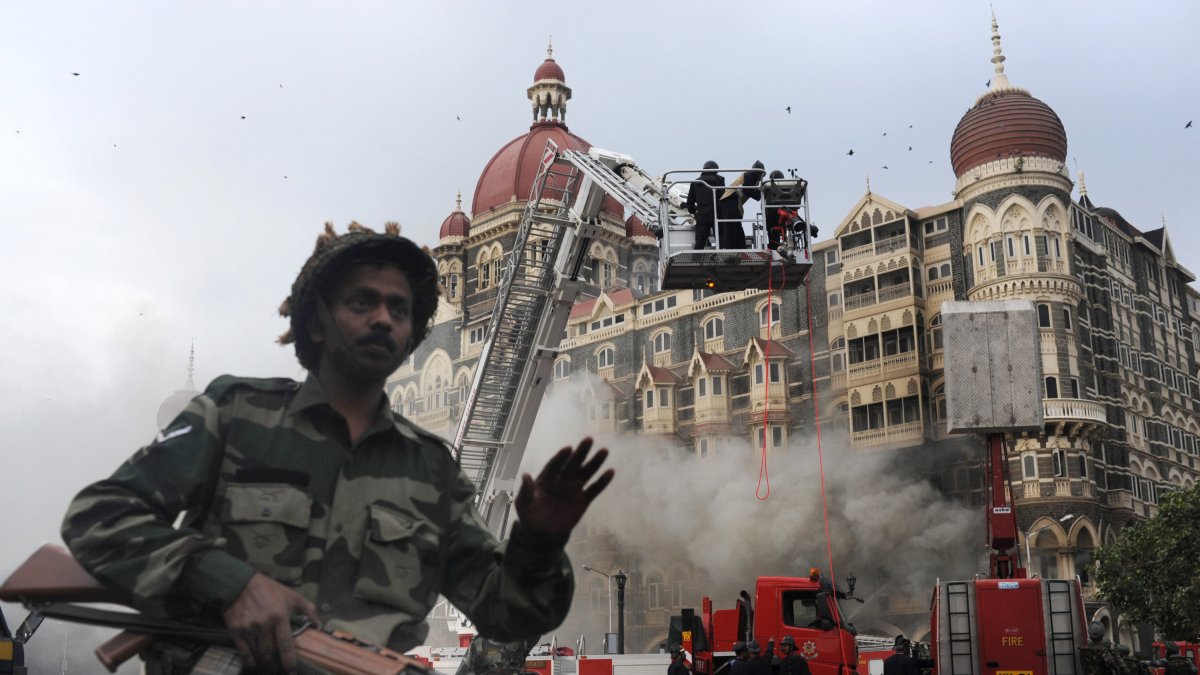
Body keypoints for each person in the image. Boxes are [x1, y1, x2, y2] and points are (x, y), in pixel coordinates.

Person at [61, 223, 615, 674]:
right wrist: (233, 584)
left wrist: (540, 541)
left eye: (400, 310)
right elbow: (99, 517)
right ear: (317, 321)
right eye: (362, 302)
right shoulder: (236, 415)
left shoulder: (429, 470)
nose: (383, 318)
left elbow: (507, 614)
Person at [715, 161, 765, 249]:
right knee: (731, 226)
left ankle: (741, 248)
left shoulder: (751, 177)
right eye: (761, 174)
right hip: (730, 200)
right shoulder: (751, 175)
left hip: (731, 202)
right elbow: (747, 189)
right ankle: (728, 249)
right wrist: (760, 193)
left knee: (736, 226)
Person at [686, 161, 724, 250]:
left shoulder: (695, 182)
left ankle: (696, 258)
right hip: (716, 212)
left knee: (700, 240)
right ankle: (722, 255)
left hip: (702, 213)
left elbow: (689, 202)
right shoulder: (720, 180)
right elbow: (723, 198)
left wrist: (693, 211)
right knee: (720, 238)